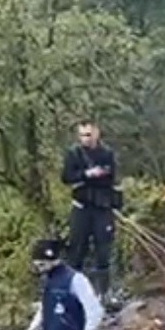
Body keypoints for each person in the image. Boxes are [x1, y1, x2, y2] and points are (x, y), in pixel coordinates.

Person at [61, 121, 117, 296]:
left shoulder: (106, 153)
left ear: (96, 134)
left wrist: (97, 175)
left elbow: (111, 176)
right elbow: (66, 177)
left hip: (102, 207)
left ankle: (104, 292)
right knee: (77, 249)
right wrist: (86, 175)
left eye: (89, 134)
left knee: (103, 250)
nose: (86, 139)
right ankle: (73, 290)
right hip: (81, 207)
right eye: (82, 135)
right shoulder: (73, 154)